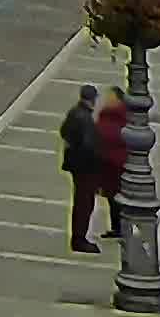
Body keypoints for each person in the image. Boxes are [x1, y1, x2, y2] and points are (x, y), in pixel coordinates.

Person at [59, 84, 108, 252]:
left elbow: (64, 131)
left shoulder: (74, 112)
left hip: (75, 166)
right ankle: (79, 239)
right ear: (92, 99)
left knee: (80, 202)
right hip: (85, 169)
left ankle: (78, 237)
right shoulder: (85, 118)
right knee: (85, 204)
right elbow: (89, 147)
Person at [93, 87, 135, 247]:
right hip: (108, 165)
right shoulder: (107, 114)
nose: (106, 99)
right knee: (112, 199)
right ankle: (117, 228)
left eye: (109, 97)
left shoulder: (121, 116)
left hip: (116, 165)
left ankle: (123, 228)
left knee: (118, 199)